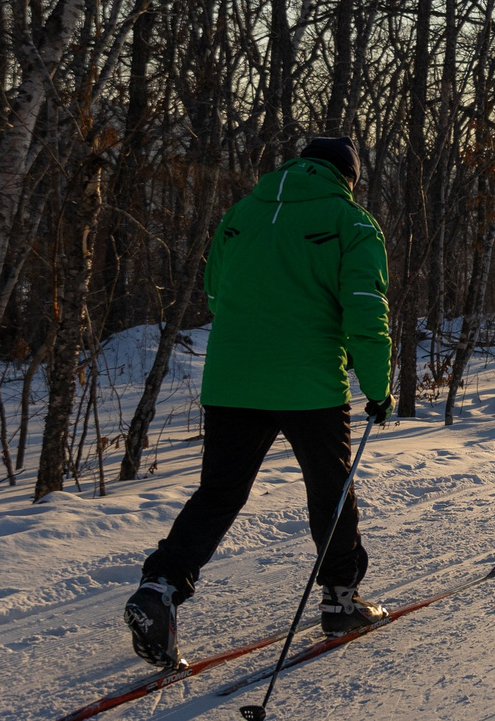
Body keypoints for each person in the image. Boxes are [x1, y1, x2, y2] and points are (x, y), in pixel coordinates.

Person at [124, 137, 393, 669]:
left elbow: (217, 290)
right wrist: (378, 386)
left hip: (231, 380)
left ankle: (160, 588)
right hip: (309, 383)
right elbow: (364, 310)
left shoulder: (242, 213)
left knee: (220, 493)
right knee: (329, 489)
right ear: (348, 176)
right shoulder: (353, 222)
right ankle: (340, 601)